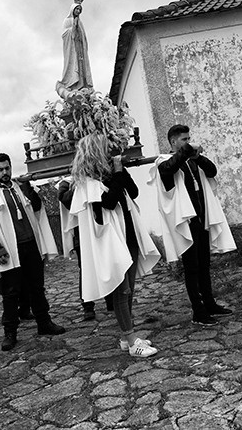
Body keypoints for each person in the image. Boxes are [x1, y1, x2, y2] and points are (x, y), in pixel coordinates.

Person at [66, 133, 161, 356]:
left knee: (130, 289)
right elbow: (108, 203)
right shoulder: (87, 183)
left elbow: (134, 192)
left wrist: (121, 171)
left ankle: (126, 337)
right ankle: (130, 340)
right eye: (106, 149)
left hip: (129, 234)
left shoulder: (112, 173)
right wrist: (118, 173)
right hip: (111, 241)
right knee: (122, 290)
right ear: (95, 153)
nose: (110, 152)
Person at [0, 153, 64, 352]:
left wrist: (29, 187)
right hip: (9, 248)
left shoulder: (20, 186)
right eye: (0, 169)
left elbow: (37, 208)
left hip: (30, 244)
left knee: (37, 286)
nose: (5, 172)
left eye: (7, 168)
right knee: (11, 292)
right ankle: (10, 332)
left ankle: (44, 322)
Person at [148, 125, 236, 326]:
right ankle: (198, 312)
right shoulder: (163, 162)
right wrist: (188, 151)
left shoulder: (192, 161)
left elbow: (212, 171)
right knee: (192, 268)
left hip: (202, 218)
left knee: (204, 264)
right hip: (185, 223)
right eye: (184, 139)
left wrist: (199, 157)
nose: (188, 142)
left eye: (189, 138)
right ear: (173, 142)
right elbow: (169, 169)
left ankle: (210, 304)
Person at [57, 178, 114, 321]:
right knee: (86, 269)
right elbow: (65, 199)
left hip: (99, 228)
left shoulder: (96, 178)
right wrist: (78, 186)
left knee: (105, 265)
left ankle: (111, 300)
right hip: (81, 234)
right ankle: (88, 306)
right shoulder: (66, 183)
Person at [57, 0, 93, 99]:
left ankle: (82, 85)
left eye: (79, 9)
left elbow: (83, 37)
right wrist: (73, 27)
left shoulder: (80, 22)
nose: (78, 11)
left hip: (80, 49)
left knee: (81, 67)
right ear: (72, 9)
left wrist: (78, 28)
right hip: (72, 50)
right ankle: (72, 84)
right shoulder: (67, 20)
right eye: (77, 9)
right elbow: (64, 35)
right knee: (74, 66)